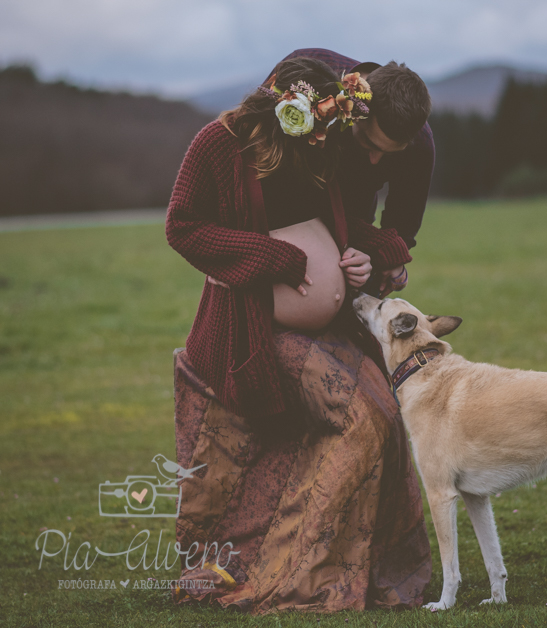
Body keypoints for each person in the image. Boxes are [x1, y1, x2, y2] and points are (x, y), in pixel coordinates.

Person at [164, 53, 434, 614]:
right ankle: (291, 567)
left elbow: (337, 227)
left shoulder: (313, 149)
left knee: (383, 412)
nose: (320, 135)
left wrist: (374, 255)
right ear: (282, 103)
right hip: (254, 327)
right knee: (359, 415)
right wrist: (275, 259)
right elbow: (182, 226)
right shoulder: (218, 145)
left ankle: (358, 564)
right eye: (310, 121)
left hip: (322, 322)